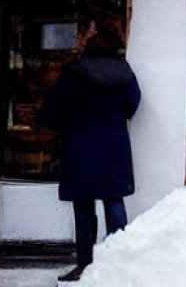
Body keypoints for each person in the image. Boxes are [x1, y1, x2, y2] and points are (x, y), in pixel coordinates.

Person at [39, 20, 141, 282]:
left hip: (79, 146)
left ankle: (84, 264)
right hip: (114, 147)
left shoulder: (73, 73)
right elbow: (132, 105)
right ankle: (118, 265)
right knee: (114, 202)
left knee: (84, 207)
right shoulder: (125, 72)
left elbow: (53, 110)